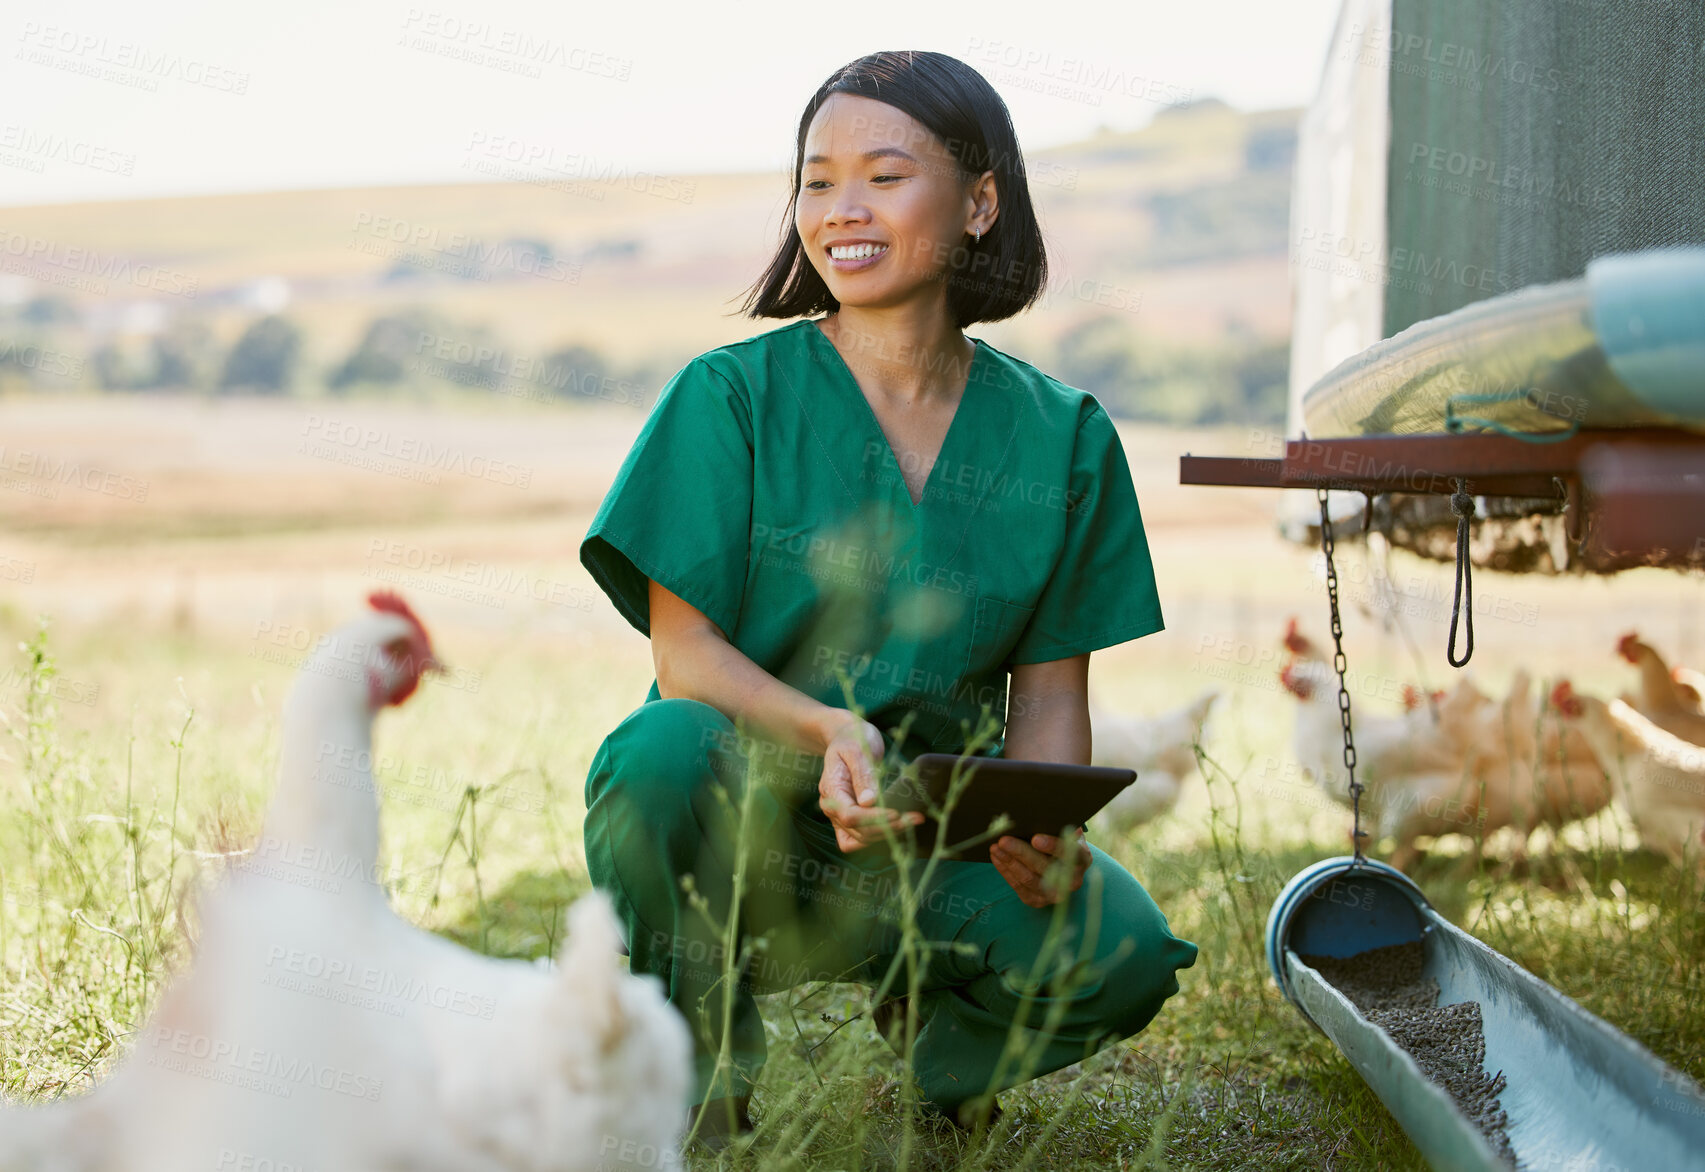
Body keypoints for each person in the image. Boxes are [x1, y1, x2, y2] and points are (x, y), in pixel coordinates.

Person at [578, 49, 1198, 1146]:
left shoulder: (1064, 435)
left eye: (884, 174)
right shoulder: (728, 397)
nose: (840, 209)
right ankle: (697, 1073)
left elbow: (1051, 690)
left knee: (1126, 949)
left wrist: (1039, 822)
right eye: (817, 180)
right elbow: (687, 658)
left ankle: (943, 1046)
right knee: (662, 748)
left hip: (937, 853)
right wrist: (828, 728)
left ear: (981, 202)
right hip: (746, 818)